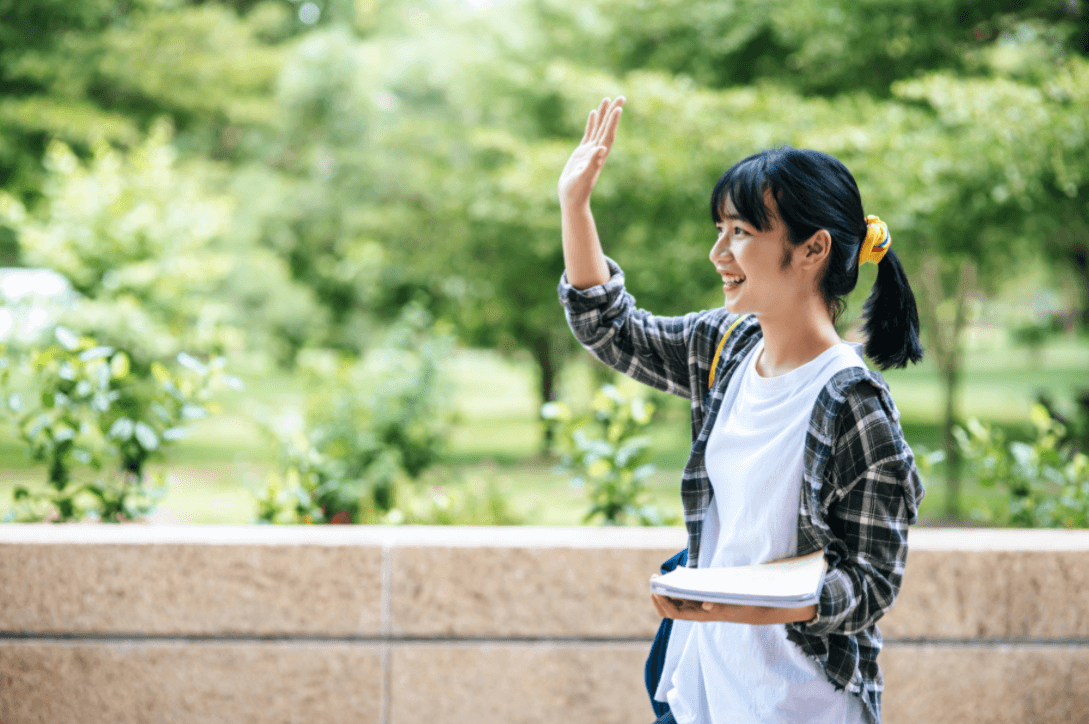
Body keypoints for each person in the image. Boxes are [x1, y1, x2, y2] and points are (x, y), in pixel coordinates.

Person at [556, 96, 926, 724]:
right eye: (720, 230)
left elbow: (871, 582)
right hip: (701, 687)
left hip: (800, 701)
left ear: (812, 250)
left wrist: (771, 605)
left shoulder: (852, 401)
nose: (718, 253)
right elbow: (610, 327)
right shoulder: (727, 347)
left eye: (742, 233)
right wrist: (575, 205)